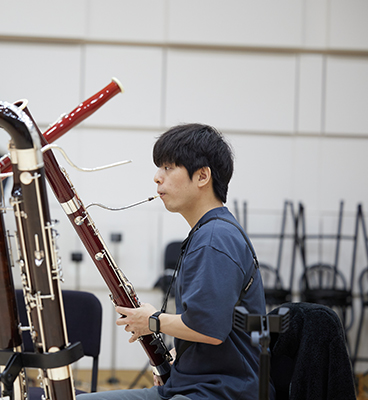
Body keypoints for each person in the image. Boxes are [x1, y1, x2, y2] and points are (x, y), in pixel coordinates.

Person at [78, 123, 269, 400]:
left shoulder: (215, 238)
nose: (157, 178)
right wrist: (179, 356)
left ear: (202, 176)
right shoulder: (210, 232)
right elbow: (216, 325)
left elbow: (210, 329)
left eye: (168, 168)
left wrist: (152, 321)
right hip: (192, 386)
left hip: (219, 394)